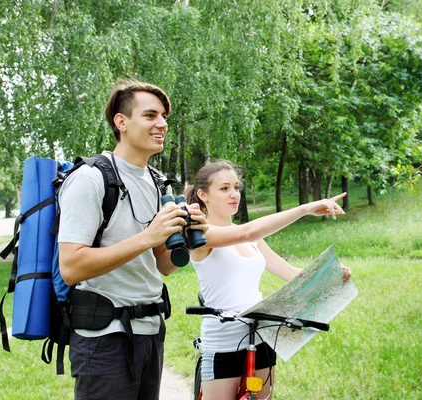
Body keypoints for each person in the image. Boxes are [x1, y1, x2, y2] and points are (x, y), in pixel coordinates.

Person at [58, 79, 207, 400]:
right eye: (151, 115)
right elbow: (71, 267)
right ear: (121, 122)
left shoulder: (158, 184)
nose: (163, 124)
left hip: (150, 332)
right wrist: (148, 236)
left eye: (165, 116)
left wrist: (188, 236)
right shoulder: (91, 179)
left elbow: (162, 266)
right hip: (104, 338)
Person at [185, 160, 351, 400]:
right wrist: (305, 208)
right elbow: (248, 231)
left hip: (260, 337)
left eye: (236, 187)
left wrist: (331, 274)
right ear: (203, 194)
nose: (233, 195)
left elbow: (290, 273)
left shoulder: (252, 239)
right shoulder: (200, 235)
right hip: (222, 343)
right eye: (224, 189)